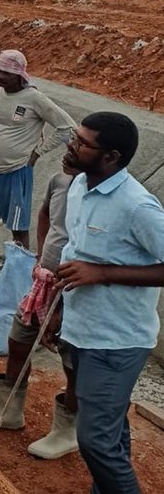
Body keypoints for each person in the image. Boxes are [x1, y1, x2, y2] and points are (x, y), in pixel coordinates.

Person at [51, 112, 164, 491]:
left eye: (82, 142)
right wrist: (59, 310)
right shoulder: (80, 185)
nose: (71, 144)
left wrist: (103, 273)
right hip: (83, 329)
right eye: (74, 135)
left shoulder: (138, 207)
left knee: (94, 440)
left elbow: (94, 268)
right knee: (110, 431)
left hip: (117, 341)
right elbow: (76, 254)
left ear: (111, 157)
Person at [0, 167, 80, 460]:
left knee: (73, 360)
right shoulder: (60, 180)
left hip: (74, 291)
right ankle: (8, 410)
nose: (69, 148)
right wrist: (41, 255)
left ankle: (67, 430)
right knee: (18, 340)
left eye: (79, 144)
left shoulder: (97, 194)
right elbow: (43, 214)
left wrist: (59, 297)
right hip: (43, 281)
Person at [0, 50, 74, 290]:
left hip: (16, 172)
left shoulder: (35, 99)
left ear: (20, 75)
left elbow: (67, 127)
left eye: (6, 74)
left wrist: (37, 153)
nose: (0, 77)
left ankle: (18, 281)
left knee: (18, 229)